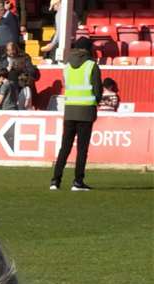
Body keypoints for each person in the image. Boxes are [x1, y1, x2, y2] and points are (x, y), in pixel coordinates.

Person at [50, 37, 103, 190]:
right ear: (88, 49)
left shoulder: (66, 66)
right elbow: (97, 89)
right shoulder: (92, 65)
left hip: (70, 109)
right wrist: (95, 102)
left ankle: (55, 181)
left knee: (64, 147)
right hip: (86, 110)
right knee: (82, 149)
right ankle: (78, 182)